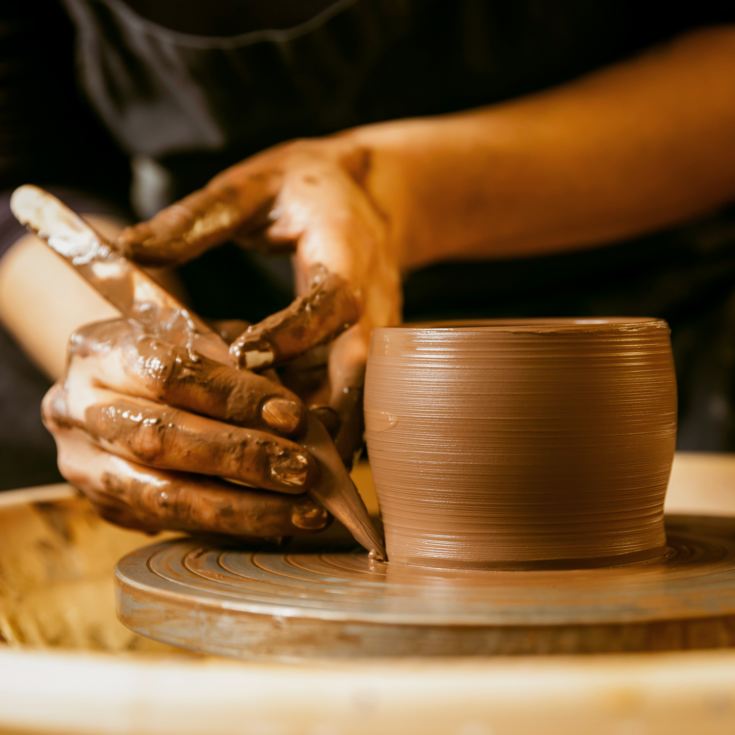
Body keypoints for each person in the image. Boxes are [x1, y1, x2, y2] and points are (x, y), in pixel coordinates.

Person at [1, 1, 734, 536]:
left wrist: (391, 192)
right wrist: (147, 374)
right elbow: (25, 176)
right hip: (247, 325)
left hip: (650, 319)